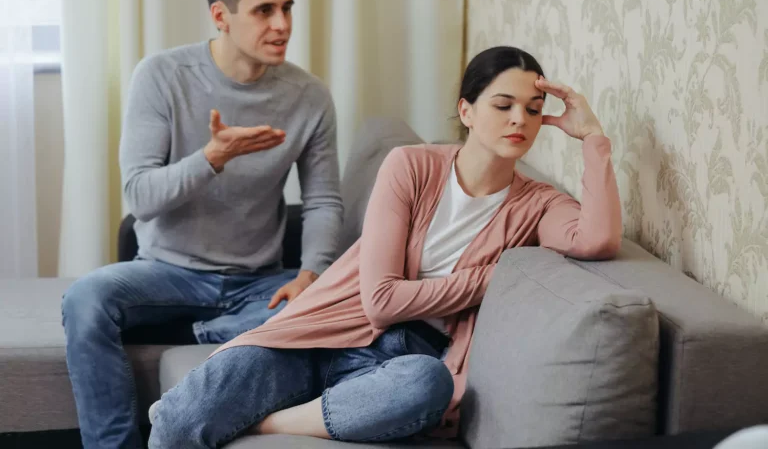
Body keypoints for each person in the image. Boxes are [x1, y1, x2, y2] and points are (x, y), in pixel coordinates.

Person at [148, 46, 623, 448]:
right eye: (503, 105)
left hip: (404, 361)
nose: (520, 119)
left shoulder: (538, 204)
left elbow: (598, 238)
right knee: (177, 420)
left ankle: (271, 422)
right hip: (322, 335)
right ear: (466, 111)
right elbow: (380, 301)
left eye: (533, 110)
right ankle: (298, 404)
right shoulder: (411, 166)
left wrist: (593, 138)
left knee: (427, 384)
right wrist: (485, 280)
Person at [61, 0, 343, 449]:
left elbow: (323, 200)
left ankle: (221, 327)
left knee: (336, 302)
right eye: (264, 10)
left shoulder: (310, 96)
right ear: (221, 15)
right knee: (85, 298)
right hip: (167, 272)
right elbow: (139, 195)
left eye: (287, 8)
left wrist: (311, 275)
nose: (282, 24)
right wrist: (210, 159)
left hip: (259, 283)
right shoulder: (162, 76)